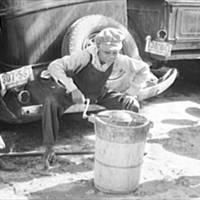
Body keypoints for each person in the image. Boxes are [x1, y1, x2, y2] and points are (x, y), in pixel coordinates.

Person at [42, 27, 153, 169]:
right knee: (51, 102)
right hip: (76, 93)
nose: (112, 56)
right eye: (107, 52)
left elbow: (143, 69)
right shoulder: (84, 56)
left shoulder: (117, 58)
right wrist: (73, 89)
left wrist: (132, 92)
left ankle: (128, 145)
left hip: (99, 94)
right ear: (98, 47)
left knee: (131, 104)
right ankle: (49, 148)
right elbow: (54, 66)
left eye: (115, 52)